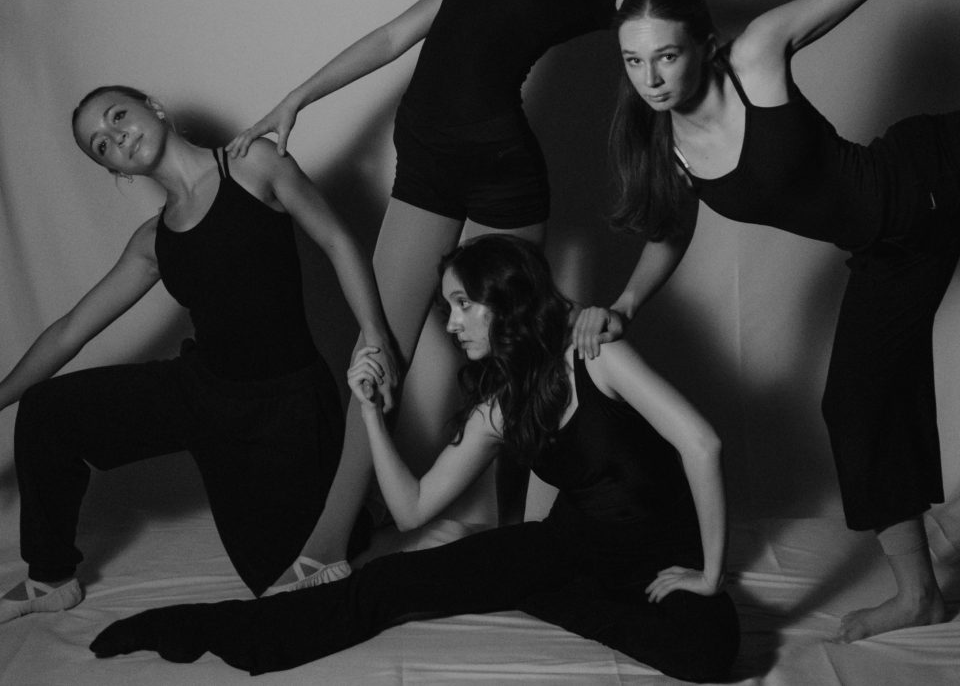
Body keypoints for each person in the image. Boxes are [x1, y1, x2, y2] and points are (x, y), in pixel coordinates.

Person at [224, 0, 755, 571]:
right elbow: (394, 36)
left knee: (503, 365)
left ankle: (502, 527)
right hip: (425, 171)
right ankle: (335, 539)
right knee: (379, 350)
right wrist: (298, 98)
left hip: (505, 183)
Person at [573, 0, 960, 642]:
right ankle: (920, 594)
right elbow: (670, 231)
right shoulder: (669, 145)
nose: (652, 78)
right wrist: (625, 302)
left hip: (928, 180)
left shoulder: (756, 57)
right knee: (855, 407)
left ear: (701, 46)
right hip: (892, 250)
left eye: (666, 57)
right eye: (634, 63)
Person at [89, 234, 739, 681]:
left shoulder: (594, 353)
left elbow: (702, 443)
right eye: (448, 307)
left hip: (666, 556)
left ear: (506, 299)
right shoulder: (499, 407)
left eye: (462, 305)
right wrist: (370, 413)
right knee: (391, 583)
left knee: (708, 653)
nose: (451, 324)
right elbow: (412, 508)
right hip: (573, 546)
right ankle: (211, 626)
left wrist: (710, 575)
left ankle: (535, 587)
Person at [0, 85, 398, 623]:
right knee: (47, 411)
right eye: (102, 145)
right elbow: (71, 329)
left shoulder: (253, 164)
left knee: (281, 578)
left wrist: (374, 333)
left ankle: (358, 511)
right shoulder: (152, 242)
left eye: (118, 116)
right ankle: (49, 577)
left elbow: (336, 241)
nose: (116, 137)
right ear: (114, 170)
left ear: (155, 109)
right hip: (203, 392)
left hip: (286, 405)